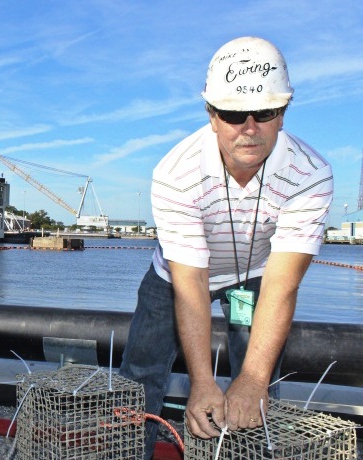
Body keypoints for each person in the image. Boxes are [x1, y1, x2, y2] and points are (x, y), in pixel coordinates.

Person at [119, 36, 333, 459]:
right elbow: (191, 280)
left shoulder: (311, 175)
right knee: (141, 371)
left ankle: (248, 452)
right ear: (212, 115)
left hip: (252, 278)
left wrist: (252, 377)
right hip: (175, 278)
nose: (250, 127)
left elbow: (281, 283)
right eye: (234, 113)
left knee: (258, 375)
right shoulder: (175, 173)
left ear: (283, 113)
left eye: (266, 112)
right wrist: (200, 381)